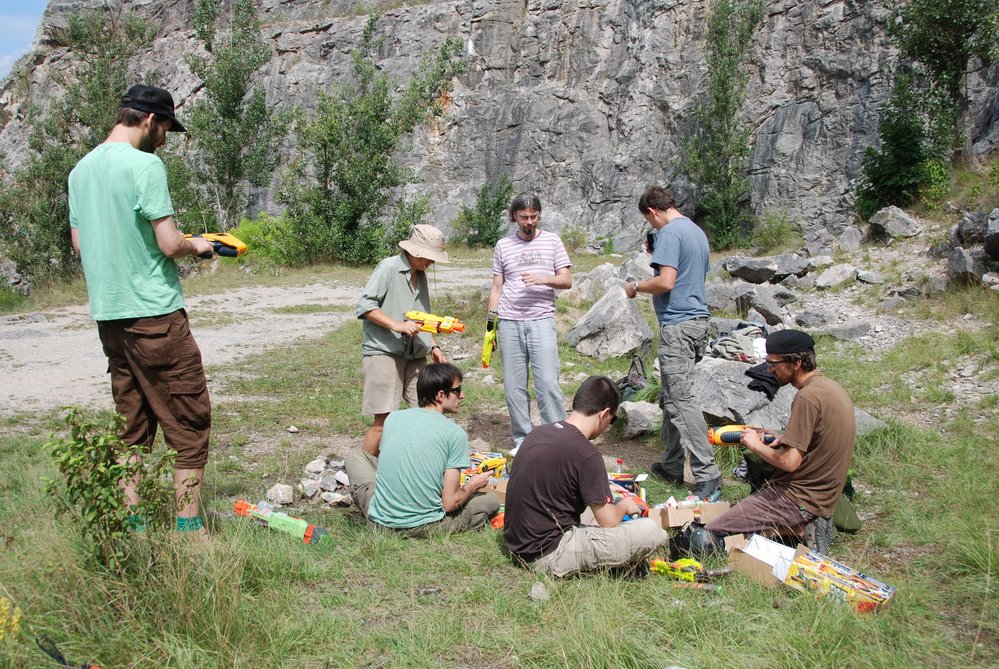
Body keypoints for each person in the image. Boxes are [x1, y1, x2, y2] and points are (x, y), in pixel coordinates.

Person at [68, 85, 215, 534]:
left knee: (131, 422)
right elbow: (169, 244)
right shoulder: (146, 165)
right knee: (189, 420)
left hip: (109, 317)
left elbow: (80, 243)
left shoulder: (80, 170)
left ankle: (133, 524)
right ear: (150, 121)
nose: (166, 140)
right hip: (155, 315)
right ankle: (189, 532)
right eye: (167, 128)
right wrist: (200, 246)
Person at [704, 330, 856, 554]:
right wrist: (784, 437)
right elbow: (820, 438)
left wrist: (755, 444)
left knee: (712, 531)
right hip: (826, 495)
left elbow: (789, 463)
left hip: (799, 496)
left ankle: (801, 528)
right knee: (738, 519)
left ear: (795, 363)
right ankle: (801, 526)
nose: (769, 369)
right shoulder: (831, 388)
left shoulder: (807, 398)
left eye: (773, 362)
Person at [503, 376, 670, 577]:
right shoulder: (587, 454)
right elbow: (608, 521)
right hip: (546, 553)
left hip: (516, 543)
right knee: (650, 530)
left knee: (602, 507)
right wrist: (624, 505)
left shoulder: (539, 433)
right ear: (605, 413)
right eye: (613, 420)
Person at [625, 185, 722, 499]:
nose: (652, 227)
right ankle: (671, 464)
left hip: (678, 327)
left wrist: (636, 286)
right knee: (670, 396)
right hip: (698, 325)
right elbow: (688, 276)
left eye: (649, 221)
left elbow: (666, 282)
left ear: (653, 212)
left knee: (681, 401)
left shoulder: (668, 233)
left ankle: (708, 474)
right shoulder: (696, 232)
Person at [343, 363, 500, 536]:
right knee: (491, 501)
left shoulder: (393, 418)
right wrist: (472, 486)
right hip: (424, 526)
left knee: (355, 456)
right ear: (441, 395)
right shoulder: (455, 434)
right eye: (457, 390)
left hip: (379, 521)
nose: (462, 396)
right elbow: (449, 503)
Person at [486, 192, 572, 449]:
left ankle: (556, 438)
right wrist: (490, 329)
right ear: (515, 217)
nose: (529, 221)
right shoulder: (503, 245)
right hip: (510, 322)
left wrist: (543, 278)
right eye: (524, 217)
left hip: (541, 320)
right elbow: (496, 288)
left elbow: (566, 280)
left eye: (534, 216)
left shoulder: (553, 241)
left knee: (547, 381)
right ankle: (523, 439)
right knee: (514, 386)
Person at [356, 225, 449, 456]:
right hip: (384, 351)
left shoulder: (422, 275)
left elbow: (423, 317)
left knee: (427, 411)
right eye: (429, 258)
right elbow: (365, 306)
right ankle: (362, 474)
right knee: (384, 420)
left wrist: (434, 345)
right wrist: (397, 325)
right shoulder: (389, 268)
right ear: (416, 252)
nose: (432, 263)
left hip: (415, 353)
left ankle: (415, 467)